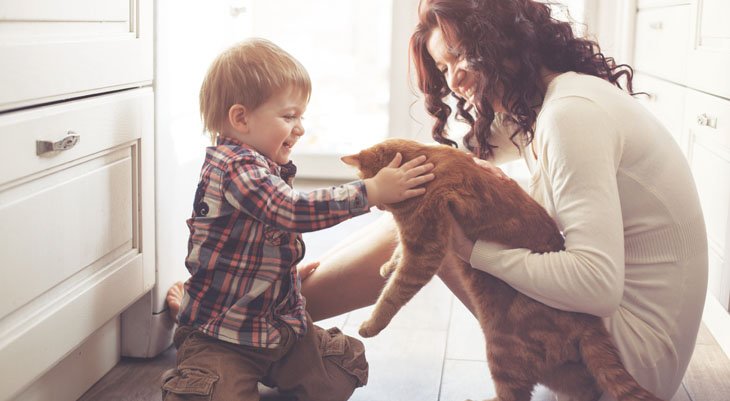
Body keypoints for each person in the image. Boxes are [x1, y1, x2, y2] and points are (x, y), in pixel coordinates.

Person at [168, 1, 708, 399]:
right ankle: (268, 311)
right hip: (614, 345)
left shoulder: (571, 117)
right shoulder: (561, 101)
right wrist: (313, 265)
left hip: (624, 363)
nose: (457, 82)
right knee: (423, 193)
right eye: (444, 69)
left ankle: (241, 321)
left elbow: (596, 285)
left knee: (429, 213)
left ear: (500, 43)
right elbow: (452, 163)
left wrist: (472, 251)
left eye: (459, 60)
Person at [161, 38, 436, 401]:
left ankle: (229, 345)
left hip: (276, 330)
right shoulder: (235, 167)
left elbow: (261, 242)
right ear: (240, 118)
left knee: (341, 373)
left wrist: (283, 280)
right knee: (212, 393)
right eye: (289, 116)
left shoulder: (262, 164)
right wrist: (369, 191)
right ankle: (198, 339)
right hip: (223, 336)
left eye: (301, 116)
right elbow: (290, 210)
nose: (301, 128)